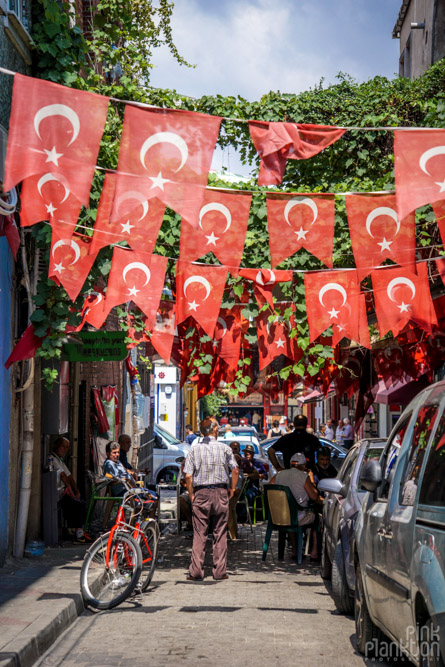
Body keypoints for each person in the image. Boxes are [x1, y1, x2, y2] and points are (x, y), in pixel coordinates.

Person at [184, 417, 239, 581]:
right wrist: (233, 489)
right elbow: (235, 470)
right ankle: (219, 572)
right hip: (221, 492)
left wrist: (192, 493)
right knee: (220, 533)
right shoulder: (225, 448)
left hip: (201, 492)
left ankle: (196, 572)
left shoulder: (194, 450)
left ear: (201, 432)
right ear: (215, 430)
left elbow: (188, 475)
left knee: (199, 533)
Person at [270, 452, 323, 560]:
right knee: (317, 518)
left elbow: (267, 489)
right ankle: (314, 553)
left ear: (290, 464)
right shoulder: (304, 476)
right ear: (303, 466)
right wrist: (311, 480)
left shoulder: (279, 474)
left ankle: (295, 551)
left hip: (279, 517)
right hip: (297, 517)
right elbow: (314, 496)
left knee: (291, 513)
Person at [51, 437, 91, 544]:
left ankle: (80, 531)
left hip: (64, 492)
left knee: (81, 502)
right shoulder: (51, 458)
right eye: (63, 446)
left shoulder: (60, 460)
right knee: (76, 505)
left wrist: (77, 492)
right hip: (57, 494)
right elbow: (62, 475)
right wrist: (70, 489)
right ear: (56, 445)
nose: (65, 449)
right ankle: (78, 535)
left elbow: (69, 476)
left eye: (67, 447)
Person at [227, 441, 244, 540]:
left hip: (230, 498)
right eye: (233, 448)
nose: (234, 450)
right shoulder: (228, 470)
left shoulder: (238, 472)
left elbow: (236, 490)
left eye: (236, 448)